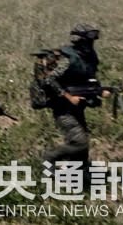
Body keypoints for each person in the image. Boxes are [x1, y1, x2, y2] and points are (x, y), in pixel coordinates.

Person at [42, 24, 110, 181]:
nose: (91, 45)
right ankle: (50, 158)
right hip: (62, 108)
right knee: (79, 142)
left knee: (82, 140)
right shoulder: (67, 59)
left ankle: (78, 173)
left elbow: (89, 80)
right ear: (79, 41)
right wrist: (68, 96)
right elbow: (49, 80)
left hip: (78, 107)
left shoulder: (89, 57)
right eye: (88, 41)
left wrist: (98, 91)